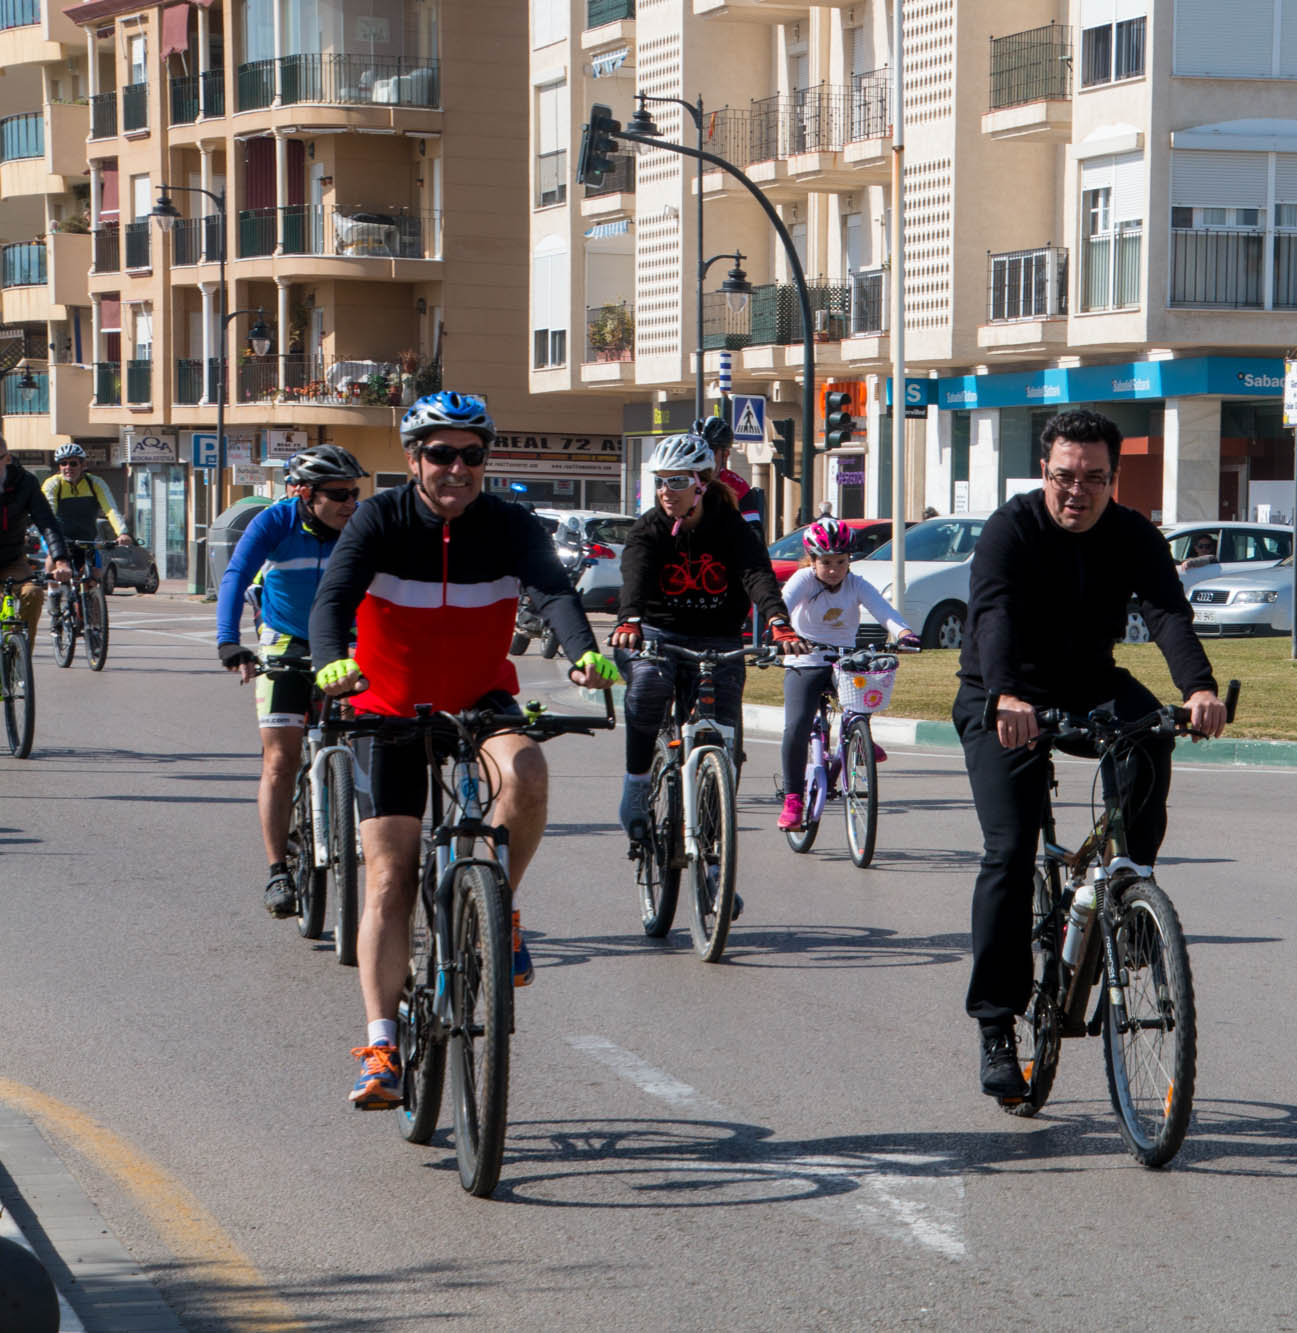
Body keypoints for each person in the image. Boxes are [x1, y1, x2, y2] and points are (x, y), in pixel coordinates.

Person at [310, 391, 620, 1110]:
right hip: (387, 709)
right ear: (414, 458)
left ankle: (498, 907)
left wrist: (582, 652)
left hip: (480, 701)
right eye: (441, 454)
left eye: (471, 454)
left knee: (527, 769)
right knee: (390, 877)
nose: (457, 467)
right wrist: (331, 662)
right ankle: (382, 1046)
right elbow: (333, 598)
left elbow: (553, 593)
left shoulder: (510, 524)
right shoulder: (379, 519)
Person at [954, 407, 1227, 1102]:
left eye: (1094, 478)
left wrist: (1198, 688)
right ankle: (996, 1025)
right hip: (1004, 697)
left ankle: (1131, 888)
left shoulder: (1132, 534)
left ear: (1113, 477)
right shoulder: (1011, 529)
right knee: (1010, 849)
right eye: (1065, 476)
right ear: (1044, 470)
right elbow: (993, 614)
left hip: (1087, 684)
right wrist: (1007, 694)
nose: (1078, 491)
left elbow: (1166, 612)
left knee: (1152, 732)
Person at [610, 430, 799, 843]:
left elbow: (757, 574)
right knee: (648, 687)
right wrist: (629, 620)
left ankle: (714, 847)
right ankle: (637, 785)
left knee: (724, 724)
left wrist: (777, 620)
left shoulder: (731, 527)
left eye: (677, 481)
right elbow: (635, 575)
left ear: (701, 483)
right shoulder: (648, 529)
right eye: (660, 481)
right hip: (658, 633)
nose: (666, 491)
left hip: (718, 638)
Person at [215, 444, 365, 917]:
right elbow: (236, 575)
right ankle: (277, 869)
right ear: (303, 493)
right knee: (280, 760)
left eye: (354, 493)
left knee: (370, 738)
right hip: (286, 639)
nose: (350, 503)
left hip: (347, 640)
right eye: (338, 494)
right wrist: (228, 642)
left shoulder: (361, 527)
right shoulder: (275, 522)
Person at [775, 517, 921, 831]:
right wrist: (782, 633)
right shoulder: (803, 580)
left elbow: (883, 610)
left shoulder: (856, 583)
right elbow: (782, 606)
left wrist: (904, 633)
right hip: (805, 660)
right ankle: (793, 799)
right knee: (797, 725)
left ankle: (858, 736)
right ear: (812, 560)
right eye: (826, 563)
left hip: (843, 659)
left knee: (866, 685)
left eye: (841, 562)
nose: (834, 570)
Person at [0, 433, 72, 645]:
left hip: (12, 559)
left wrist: (61, 561)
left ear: (7, 458)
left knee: (33, 593)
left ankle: (20, 653)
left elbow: (47, 523)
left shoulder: (25, 483)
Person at [41, 443, 130, 578]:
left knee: (96, 575)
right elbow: (49, 513)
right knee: (53, 560)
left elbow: (111, 509)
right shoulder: (52, 484)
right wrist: (53, 538)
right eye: (63, 463)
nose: (68, 467)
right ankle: (52, 589)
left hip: (87, 538)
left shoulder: (96, 483)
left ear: (83, 465)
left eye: (73, 463)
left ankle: (91, 591)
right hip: (58, 536)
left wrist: (122, 533)